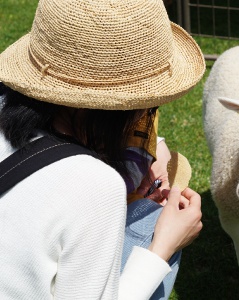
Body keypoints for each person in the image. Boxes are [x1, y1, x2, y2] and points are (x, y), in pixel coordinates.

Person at [0, 0, 205, 299]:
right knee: (153, 220)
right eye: (149, 108)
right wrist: (163, 247)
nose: (147, 117)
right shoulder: (94, 185)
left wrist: (155, 146)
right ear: (116, 112)